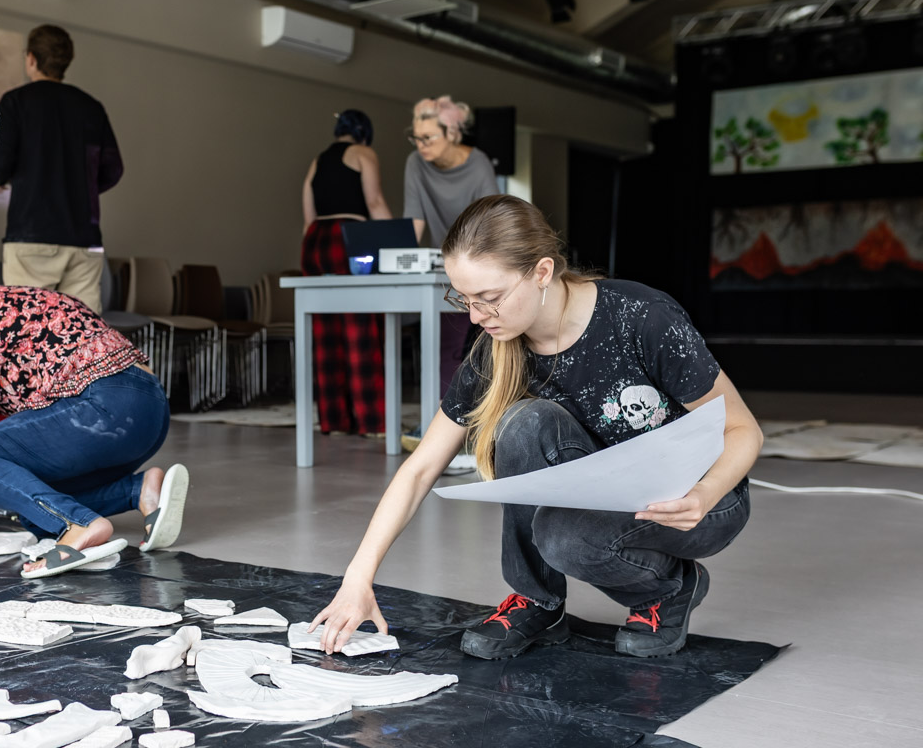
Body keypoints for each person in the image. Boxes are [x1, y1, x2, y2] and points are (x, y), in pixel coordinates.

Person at [309, 195, 761, 660]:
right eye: (463, 299)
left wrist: (704, 495)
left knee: (563, 538)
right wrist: (357, 578)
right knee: (522, 423)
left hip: (698, 500)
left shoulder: (642, 317)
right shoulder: (495, 348)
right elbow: (421, 468)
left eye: (490, 299)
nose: (475, 317)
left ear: (542, 272)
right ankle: (537, 601)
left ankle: (669, 588)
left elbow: (744, 431)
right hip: (608, 493)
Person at [0, 231, 188, 576]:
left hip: (104, 411)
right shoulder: (9, 298)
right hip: (149, 413)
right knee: (33, 510)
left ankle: (78, 524)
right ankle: (139, 490)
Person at [0, 24, 123, 314]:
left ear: (32, 58)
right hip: (84, 239)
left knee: (28, 330)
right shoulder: (92, 107)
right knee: (83, 331)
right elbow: (113, 169)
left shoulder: (15, 102)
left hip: (32, 236)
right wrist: (80, 188)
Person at [402, 96, 499, 455]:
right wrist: (402, 260)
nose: (421, 145)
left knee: (485, 346)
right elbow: (414, 219)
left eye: (428, 137)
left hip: (480, 261)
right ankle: (442, 430)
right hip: (441, 267)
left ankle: (476, 425)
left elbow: (490, 222)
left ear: (453, 133)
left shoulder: (479, 165)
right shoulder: (415, 163)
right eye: (416, 137)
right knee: (445, 345)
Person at [300, 109, 393, 436]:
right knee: (360, 328)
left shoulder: (317, 160)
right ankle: (372, 421)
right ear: (364, 133)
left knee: (325, 331)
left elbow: (308, 216)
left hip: (316, 241)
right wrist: (396, 241)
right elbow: (375, 201)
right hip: (349, 238)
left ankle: (334, 420)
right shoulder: (363, 153)